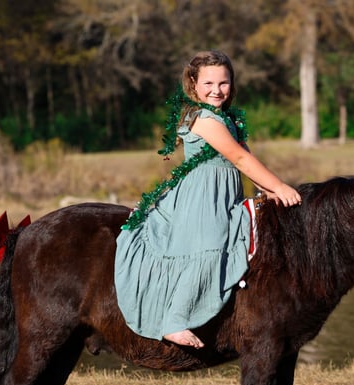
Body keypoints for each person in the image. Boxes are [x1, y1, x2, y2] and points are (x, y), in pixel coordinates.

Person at [114, 50, 301, 348]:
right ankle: (174, 321)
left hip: (225, 196)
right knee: (211, 245)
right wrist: (280, 186)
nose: (217, 90)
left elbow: (247, 160)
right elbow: (238, 158)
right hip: (201, 197)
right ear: (193, 84)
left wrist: (270, 191)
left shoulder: (227, 118)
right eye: (209, 83)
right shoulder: (201, 117)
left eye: (223, 83)